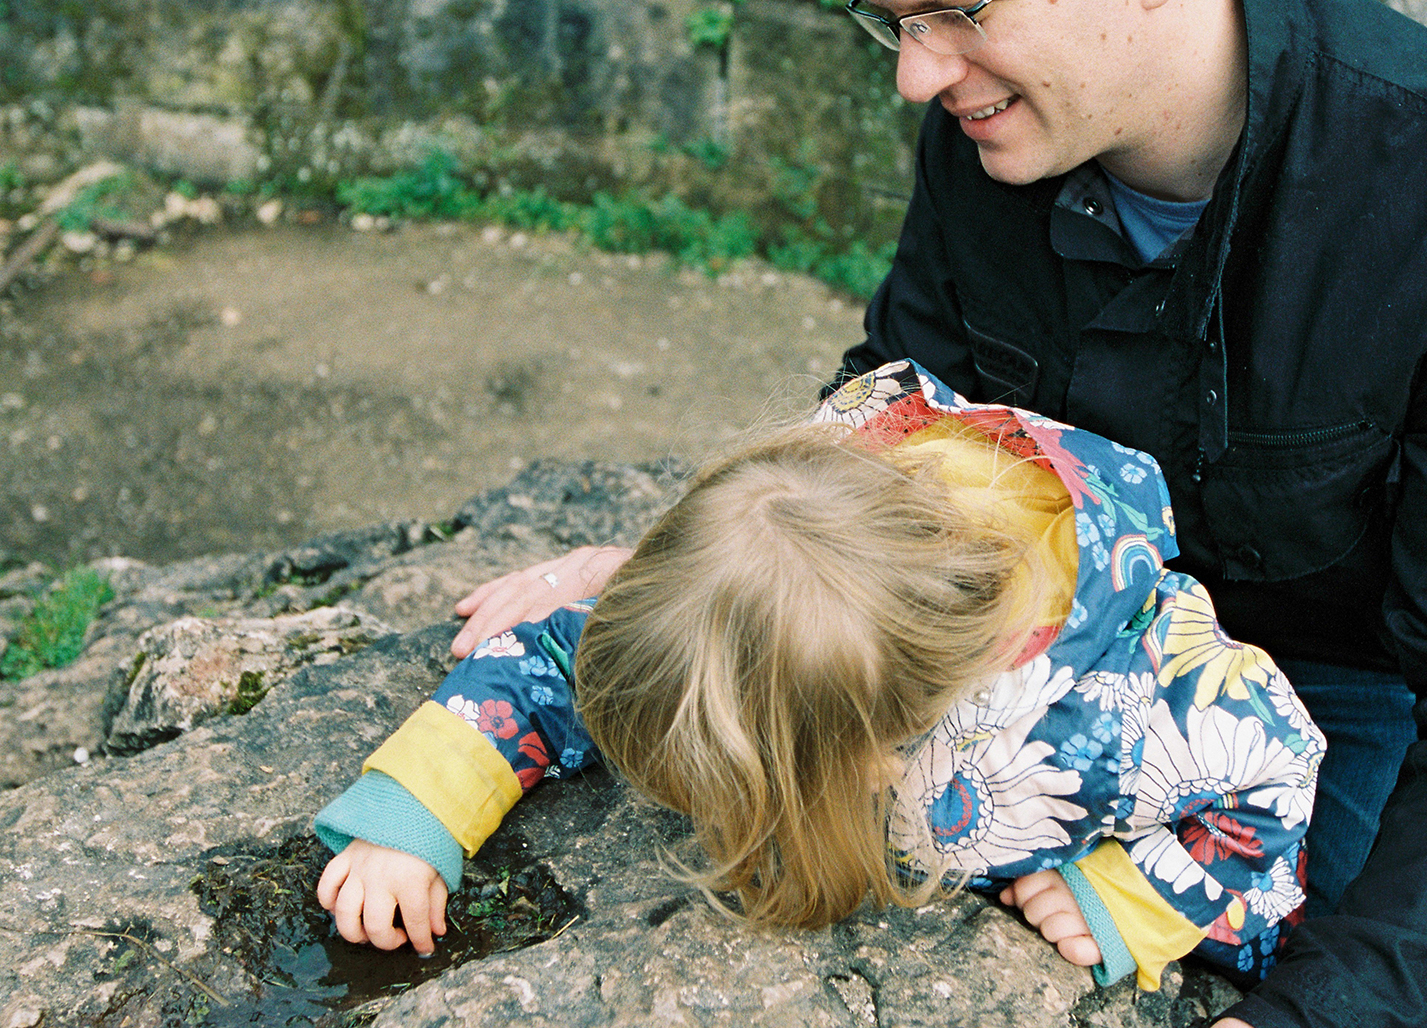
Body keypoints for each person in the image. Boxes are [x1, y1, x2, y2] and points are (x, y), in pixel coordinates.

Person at [448, 0, 1427, 1025]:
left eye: (954, 11)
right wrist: (693, 581)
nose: (914, 78)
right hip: (1084, 649)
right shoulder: (999, 130)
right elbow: (910, 411)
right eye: (893, 20)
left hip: (1418, 703)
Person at [317, 360, 1325, 990]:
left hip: (1207, 914)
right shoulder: (754, 615)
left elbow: (1274, 770)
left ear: (869, 748)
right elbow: (554, 660)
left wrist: (1130, 902)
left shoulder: (1120, 715)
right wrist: (416, 815)